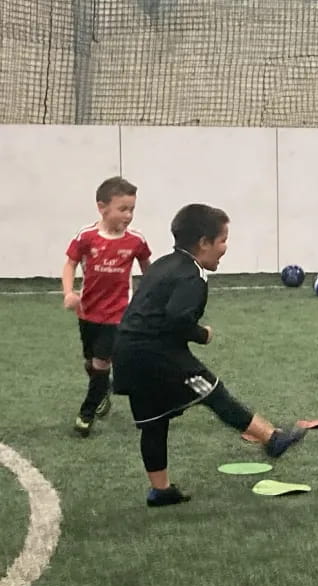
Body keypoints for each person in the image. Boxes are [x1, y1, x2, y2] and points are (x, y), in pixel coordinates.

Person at [112, 203, 307, 507]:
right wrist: (202, 334)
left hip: (127, 351)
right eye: (222, 240)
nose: (225, 248)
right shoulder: (193, 275)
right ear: (203, 242)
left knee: (154, 422)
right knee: (214, 392)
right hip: (155, 353)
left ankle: (160, 490)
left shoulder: (164, 263)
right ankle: (271, 438)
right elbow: (176, 319)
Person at [62, 176, 151, 437]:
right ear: (102, 207)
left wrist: (149, 296)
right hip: (88, 312)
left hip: (117, 314)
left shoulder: (136, 241)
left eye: (132, 209)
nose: (129, 215)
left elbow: (149, 270)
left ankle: (86, 414)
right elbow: (69, 264)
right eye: (123, 209)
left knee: (101, 362)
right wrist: (69, 293)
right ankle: (101, 391)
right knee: (91, 362)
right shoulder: (87, 237)